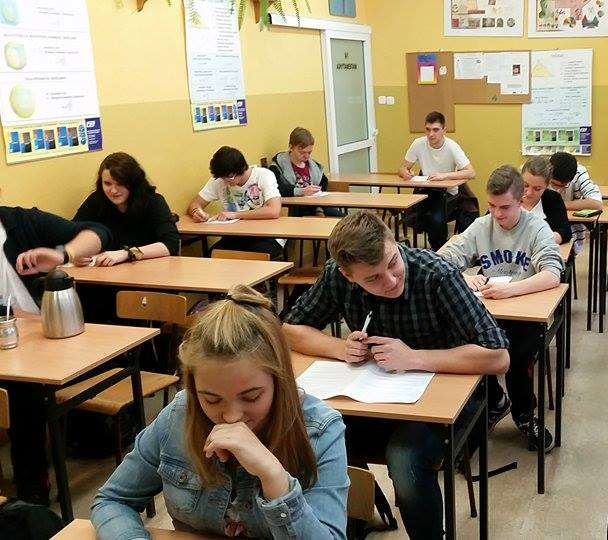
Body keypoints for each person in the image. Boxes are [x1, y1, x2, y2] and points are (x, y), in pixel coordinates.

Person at [282, 211, 508, 539]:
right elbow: (289, 328)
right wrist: (341, 348)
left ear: (395, 243)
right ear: (348, 275)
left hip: (449, 403)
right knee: (322, 434)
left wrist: (414, 357)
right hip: (379, 398)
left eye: (393, 263)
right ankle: (354, 519)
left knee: (405, 458)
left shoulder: (436, 274)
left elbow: (498, 356)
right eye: (372, 278)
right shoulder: (335, 275)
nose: (389, 281)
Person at [92, 285, 348, 539]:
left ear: (280, 382)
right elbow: (113, 500)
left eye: (251, 396)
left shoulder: (320, 429)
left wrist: (274, 477)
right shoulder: (179, 414)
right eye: (211, 400)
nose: (232, 416)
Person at [438, 164, 564, 450]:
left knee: (516, 357)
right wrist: (464, 277)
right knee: (463, 348)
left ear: (521, 200)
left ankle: (524, 414)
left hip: (525, 314)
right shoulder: (482, 226)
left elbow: (552, 274)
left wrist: (510, 290)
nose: (497, 214)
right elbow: (443, 260)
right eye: (492, 206)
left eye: (505, 207)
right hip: (488, 312)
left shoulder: (537, 228)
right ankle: (494, 401)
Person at [0, 205, 109, 505]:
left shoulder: (21, 222)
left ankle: (32, 492)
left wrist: (62, 255)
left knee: (23, 392)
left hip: (44, 339)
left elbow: (97, 232)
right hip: (13, 340)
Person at [73, 152, 180, 266]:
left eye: (120, 184)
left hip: (149, 269)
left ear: (133, 182)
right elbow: (70, 233)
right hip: (107, 271)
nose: (113, 191)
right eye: (107, 183)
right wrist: (75, 253)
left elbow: (171, 245)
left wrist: (128, 253)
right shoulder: (96, 200)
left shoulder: (154, 201)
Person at [186, 146, 284, 258]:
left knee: (249, 260)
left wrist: (235, 215)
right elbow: (195, 204)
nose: (225, 181)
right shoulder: (220, 179)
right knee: (212, 256)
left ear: (241, 168)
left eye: (229, 177)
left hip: (267, 236)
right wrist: (196, 212)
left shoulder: (264, 175)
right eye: (222, 178)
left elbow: (274, 210)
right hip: (235, 236)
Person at [399, 111, 477, 250]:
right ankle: (434, 247)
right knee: (414, 213)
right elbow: (402, 168)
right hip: (426, 190)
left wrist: (444, 176)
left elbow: (471, 172)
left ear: (444, 130)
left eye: (435, 130)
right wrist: (405, 172)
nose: (431, 134)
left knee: (436, 219)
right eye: (427, 129)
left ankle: (440, 250)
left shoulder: (451, 146)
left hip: (447, 193)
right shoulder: (418, 143)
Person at [269, 127, 344, 218]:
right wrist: (302, 191)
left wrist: (318, 203)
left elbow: (323, 182)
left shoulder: (313, 166)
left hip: (316, 207)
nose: (306, 156)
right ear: (291, 147)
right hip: (294, 210)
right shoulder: (277, 166)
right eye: (302, 153)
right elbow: (277, 188)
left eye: (309, 152)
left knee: (346, 220)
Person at [548, 151, 603, 254]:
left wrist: (558, 205)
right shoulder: (540, 170)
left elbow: (597, 203)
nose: (558, 190)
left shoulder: (579, 172)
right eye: (554, 184)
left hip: (570, 231)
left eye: (563, 186)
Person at [520, 156, 572, 245]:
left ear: (547, 186)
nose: (529, 193)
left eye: (537, 189)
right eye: (525, 185)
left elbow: (565, 232)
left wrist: (545, 240)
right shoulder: (509, 195)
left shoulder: (553, 199)